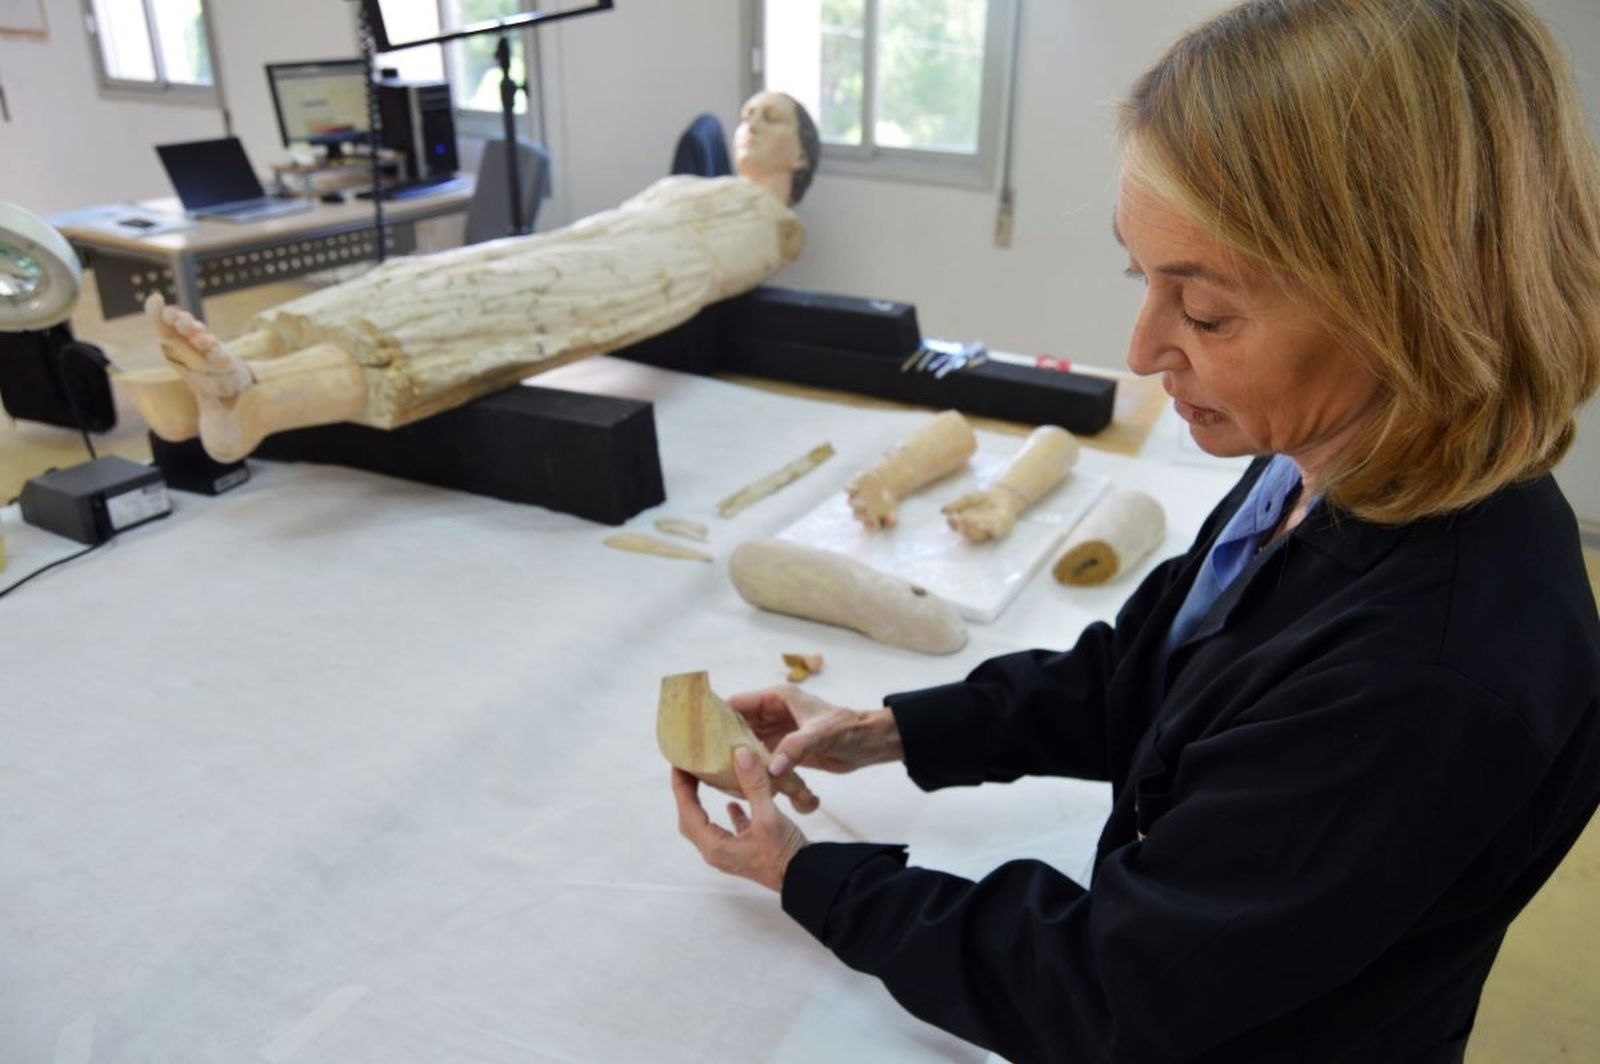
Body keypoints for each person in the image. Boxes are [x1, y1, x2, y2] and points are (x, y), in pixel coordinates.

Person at [670, 1, 1600, 1060]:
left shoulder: (1434, 666)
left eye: (1203, 313)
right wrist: (891, 726)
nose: (1145, 345)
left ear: (1405, 306)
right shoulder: (1323, 457)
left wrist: (809, 873)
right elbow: (1151, 674)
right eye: (1140, 277)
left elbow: (1116, 989)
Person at [119, 91, 821, 462]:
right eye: (747, 114)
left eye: (773, 118)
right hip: (584, 244)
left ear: (801, 156)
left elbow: (698, 268)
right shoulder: (691, 181)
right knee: (422, 276)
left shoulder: (773, 225)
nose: (752, 124)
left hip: (634, 272)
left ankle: (254, 406)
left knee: (468, 315)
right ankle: (218, 378)